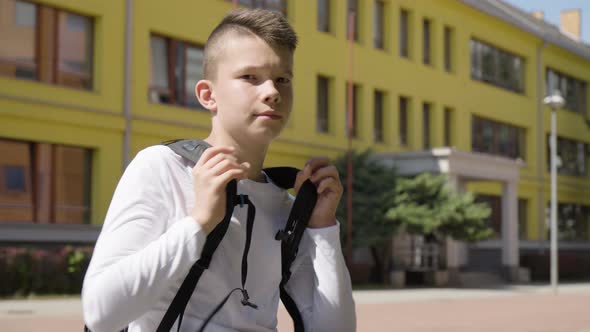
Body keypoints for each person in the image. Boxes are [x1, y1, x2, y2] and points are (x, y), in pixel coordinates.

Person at [82, 8, 356, 332]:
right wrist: (198, 223)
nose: (272, 91)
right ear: (208, 95)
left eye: (282, 79)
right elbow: (101, 313)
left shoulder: (286, 206)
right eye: (249, 77)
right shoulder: (162, 167)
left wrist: (322, 228)